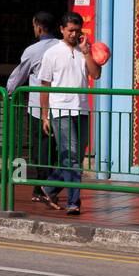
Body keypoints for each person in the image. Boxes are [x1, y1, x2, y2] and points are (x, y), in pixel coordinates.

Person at [39, 12, 101, 216]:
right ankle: (74, 202)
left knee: (76, 158)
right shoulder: (52, 53)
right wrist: (45, 115)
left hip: (81, 109)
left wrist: (86, 53)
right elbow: (45, 86)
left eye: (77, 30)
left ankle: (48, 187)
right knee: (71, 158)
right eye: (70, 30)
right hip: (60, 110)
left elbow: (96, 74)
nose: (74, 34)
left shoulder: (85, 50)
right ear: (62, 30)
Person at [6, 11, 57, 203]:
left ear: (38, 26)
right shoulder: (63, 47)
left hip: (38, 108)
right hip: (61, 108)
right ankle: (45, 187)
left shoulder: (33, 50)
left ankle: (43, 188)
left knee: (40, 150)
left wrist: (8, 92)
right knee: (55, 150)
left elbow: (18, 76)